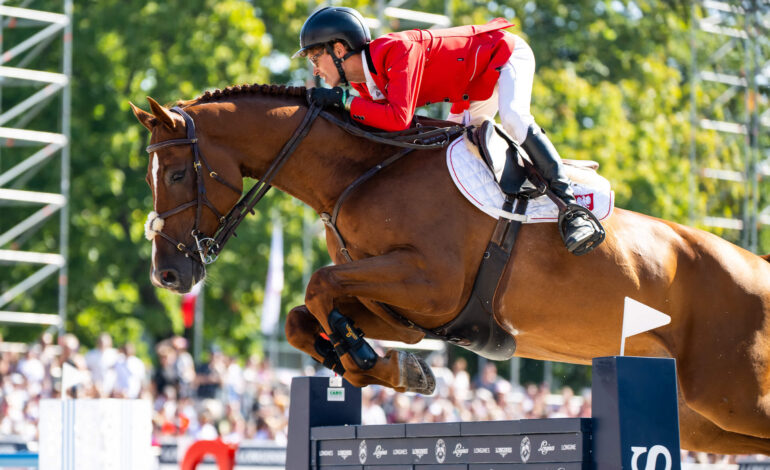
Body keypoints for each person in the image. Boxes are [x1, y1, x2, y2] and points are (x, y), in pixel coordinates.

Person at [294, 7, 602, 254]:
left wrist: (343, 102)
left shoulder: (396, 50)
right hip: (471, 88)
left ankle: (572, 208)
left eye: (314, 57)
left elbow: (398, 119)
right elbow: (381, 128)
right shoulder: (363, 85)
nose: (314, 69)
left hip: (504, 55)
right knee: (448, 157)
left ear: (338, 48)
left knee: (513, 117)